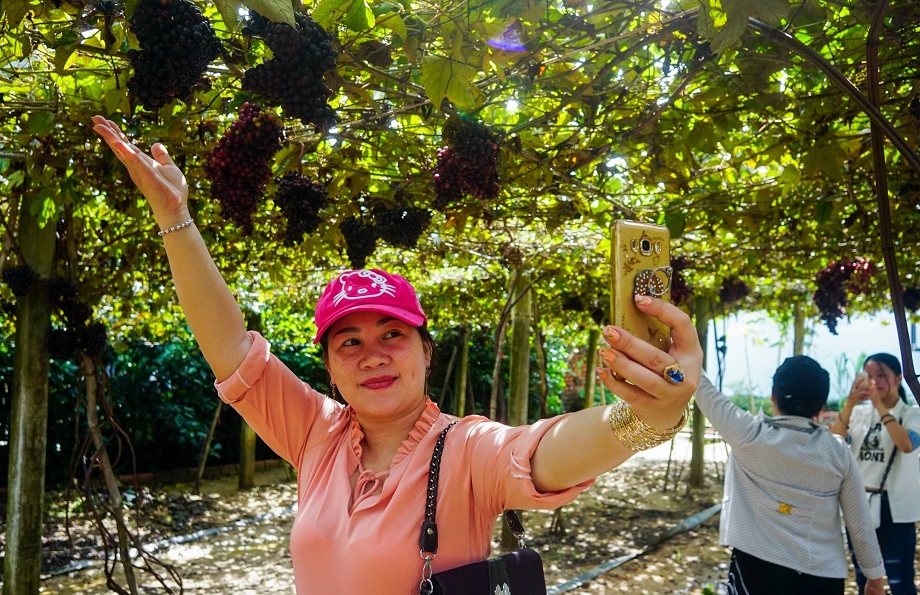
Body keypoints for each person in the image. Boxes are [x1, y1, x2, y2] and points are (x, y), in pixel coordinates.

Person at [91, 115, 703, 594]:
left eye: (392, 335)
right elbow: (229, 347)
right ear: (328, 368)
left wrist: (644, 415)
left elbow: (547, 452)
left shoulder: (465, 450)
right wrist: (175, 217)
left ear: (425, 352)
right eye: (348, 342)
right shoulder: (316, 435)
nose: (372, 355)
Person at [694, 356, 886, 595]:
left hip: (757, 571)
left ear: (773, 396)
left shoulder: (748, 434)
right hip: (822, 577)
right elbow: (860, 523)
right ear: (821, 406)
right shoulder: (838, 452)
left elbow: (701, 386)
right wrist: (875, 577)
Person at [830, 352, 920, 595]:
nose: (875, 382)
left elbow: (906, 445)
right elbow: (834, 441)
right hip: (859, 504)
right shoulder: (858, 414)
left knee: (900, 579)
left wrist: (879, 405)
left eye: (882, 375)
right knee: (864, 577)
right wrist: (850, 403)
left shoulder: (912, 414)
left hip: (896, 509)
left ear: (899, 378)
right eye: (869, 376)